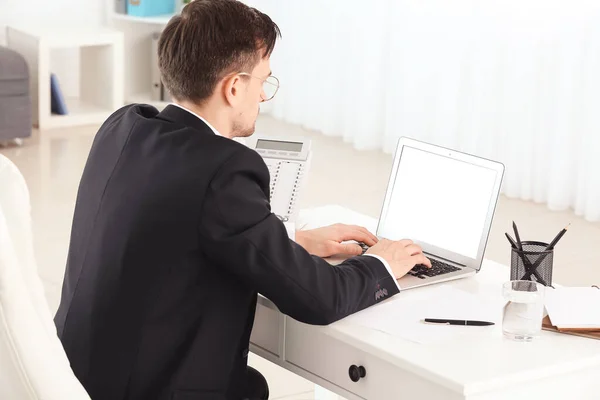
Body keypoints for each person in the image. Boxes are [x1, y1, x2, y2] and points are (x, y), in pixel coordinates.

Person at [53, 1, 431, 399]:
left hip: (74, 381)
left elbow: (173, 215)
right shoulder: (226, 169)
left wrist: (288, 238)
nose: (265, 96)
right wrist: (383, 264)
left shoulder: (125, 125)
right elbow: (319, 299)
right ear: (234, 87)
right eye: (263, 81)